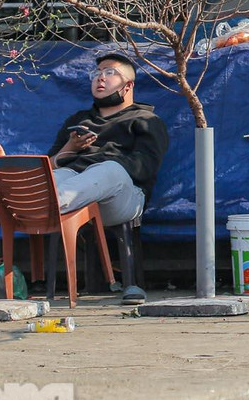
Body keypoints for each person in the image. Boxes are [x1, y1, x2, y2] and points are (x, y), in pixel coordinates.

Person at [46, 51, 169, 304]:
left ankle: (44, 205)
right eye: (96, 73)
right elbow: (51, 165)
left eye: (110, 73)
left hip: (122, 200)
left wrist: (95, 161)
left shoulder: (146, 120)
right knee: (59, 173)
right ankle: (36, 204)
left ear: (128, 86)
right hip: (77, 197)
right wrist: (70, 149)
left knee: (108, 169)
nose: (100, 78)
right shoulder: (78, 121)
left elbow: (145, 166)